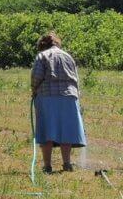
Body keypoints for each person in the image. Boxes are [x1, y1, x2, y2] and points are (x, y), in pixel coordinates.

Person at [31, 31, 87, 173]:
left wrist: (34, 90)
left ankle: (47, 166)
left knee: (47, 131)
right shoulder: (68, 57)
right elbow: (76, 79)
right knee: (66, 131)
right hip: (69, 97)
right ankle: (67, 164)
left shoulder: (42, 56)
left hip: (48, 96)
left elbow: (36, 77)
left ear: (43, 45)